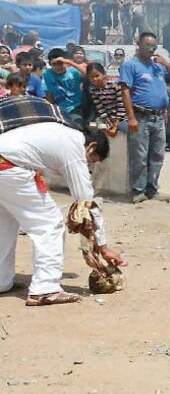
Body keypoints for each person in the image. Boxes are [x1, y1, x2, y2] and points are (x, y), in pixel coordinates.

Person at [0, 96, 125, 305]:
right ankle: (45, 288)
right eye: (91, 161)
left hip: (7, 165)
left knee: (5, 222)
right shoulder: (74, 143)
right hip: (9, 168)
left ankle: (2, 281)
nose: (88, 166)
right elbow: (86, 202)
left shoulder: (59, 130)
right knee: (50, 224)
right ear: (91, 147)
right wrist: (103, 247)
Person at [120, 32, 170, 204]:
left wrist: (167, 65)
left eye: (154, 46)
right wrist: (130, 117)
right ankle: (138, 190)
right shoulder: (130, 66)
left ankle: (152, 188)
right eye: (147, 46)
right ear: (138, 44)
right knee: (139, 156)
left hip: (158, 117)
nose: (151, 50)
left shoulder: (158, 67)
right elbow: (125, 91)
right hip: (140, 116)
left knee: (157, 156)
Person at [42, 48, 86, 125]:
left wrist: (70, 62)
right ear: (50, 64)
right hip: (59, 110)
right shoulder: (48, 74)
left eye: (60, 63)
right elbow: (49, 93)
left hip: (75, 108)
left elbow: (88, 75)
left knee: (77, 126)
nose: (58, 66)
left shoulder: (73, 72)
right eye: (54, 64)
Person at [84, 62, 126, 137]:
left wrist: (115, 126)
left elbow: (121, 106)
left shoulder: (115, 85)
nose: (95, 79)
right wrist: (108, 122)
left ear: (103, 74)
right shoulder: (92, 89)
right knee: (94, 128)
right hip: (107, 117)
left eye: (97, 76)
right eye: (91, 77)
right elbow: (100, 108)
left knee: (127, 129)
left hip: (121, 118)